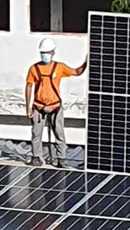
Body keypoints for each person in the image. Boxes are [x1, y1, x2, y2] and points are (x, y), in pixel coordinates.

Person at [25, 37, 87, 169]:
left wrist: (87, 61)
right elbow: (29, 86)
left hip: (55, 106)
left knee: (59, 133)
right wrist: (28, 107)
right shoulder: (34, 69)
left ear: (53, 52)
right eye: (43, 52)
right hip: (38, 106)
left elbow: (76, 72)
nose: (45, 55)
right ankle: (36, 157)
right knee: (36, 133)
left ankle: (61, 158)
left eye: (47, 52)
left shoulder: (59, 67)